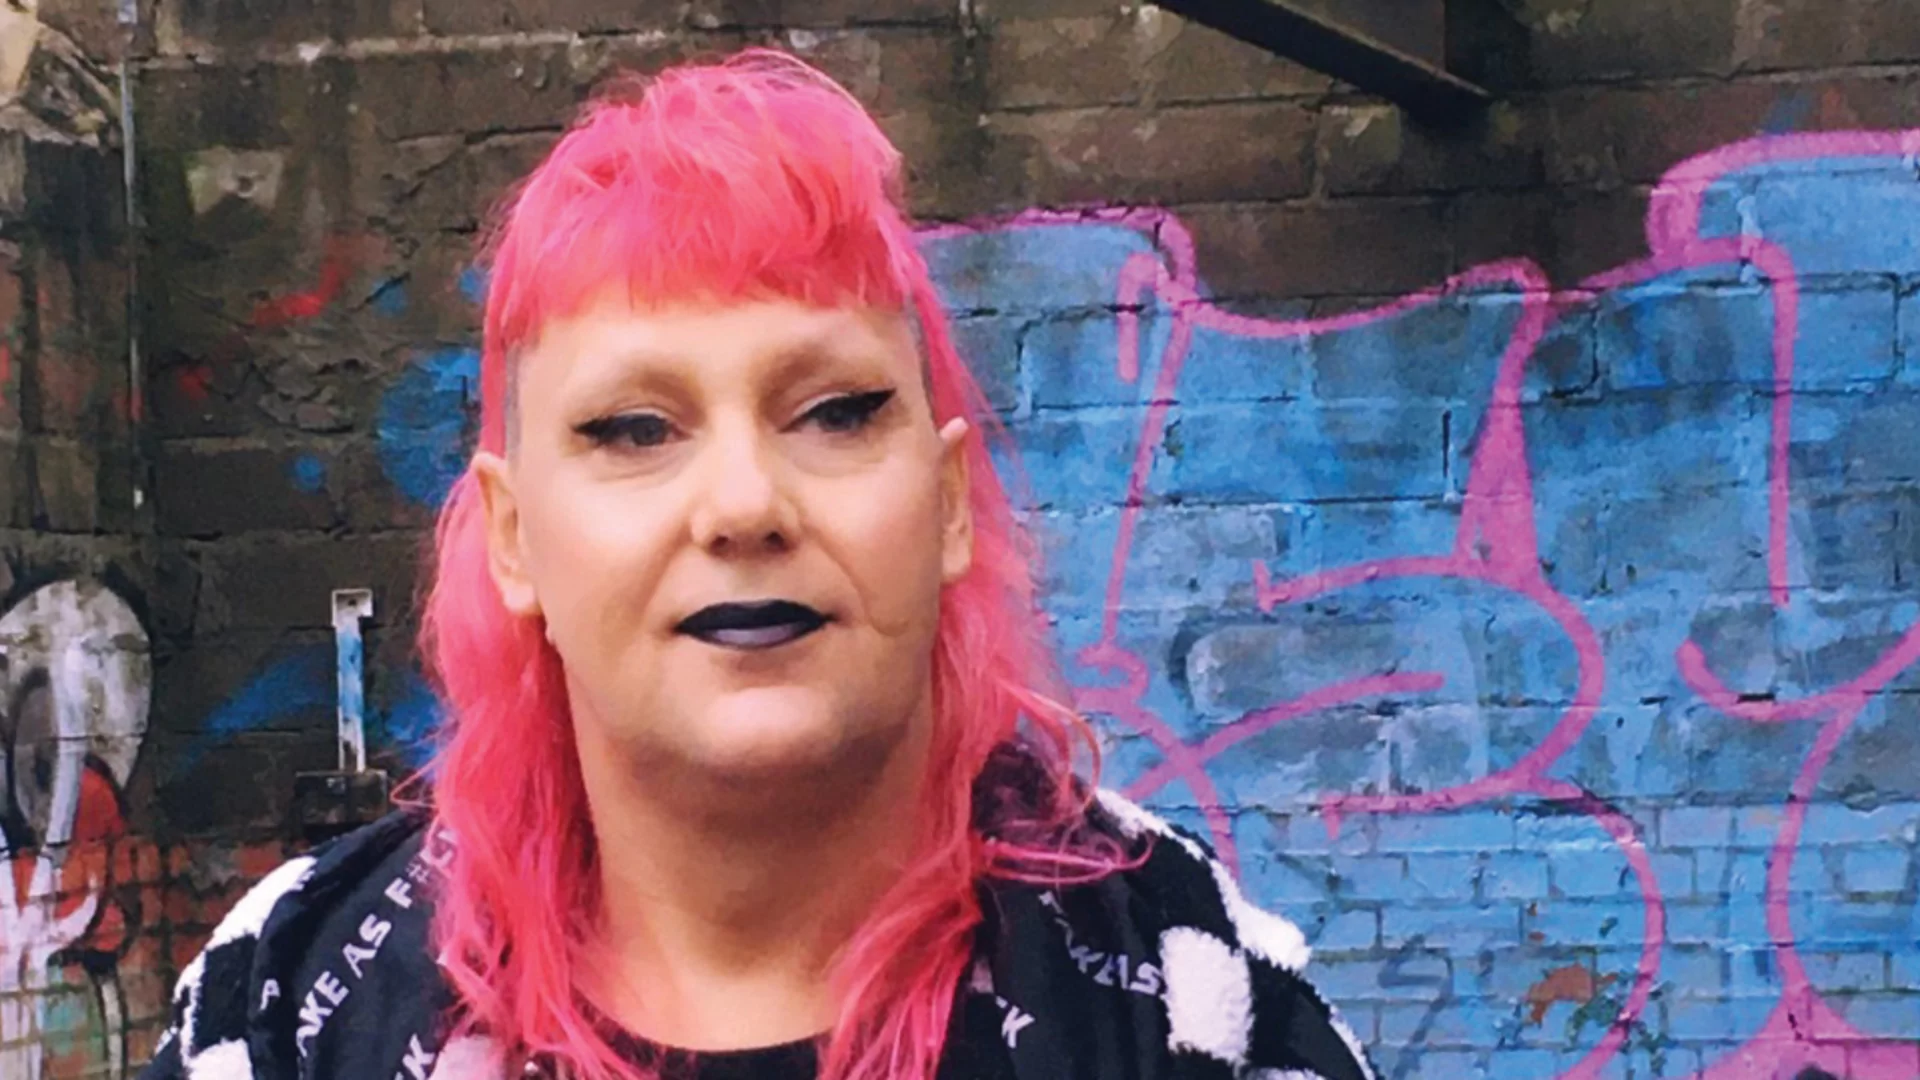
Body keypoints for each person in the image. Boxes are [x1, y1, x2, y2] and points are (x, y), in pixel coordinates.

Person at [140, 49, 1377, 1080]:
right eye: (633, 429)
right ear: (515, 540)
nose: (743, 505)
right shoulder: (286, 1005)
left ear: (948, 504)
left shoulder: (1184, 995)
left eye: (835, 411)